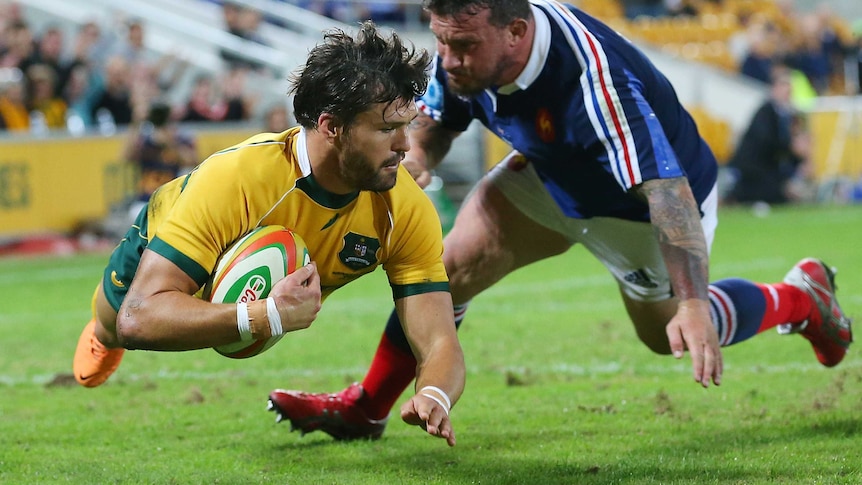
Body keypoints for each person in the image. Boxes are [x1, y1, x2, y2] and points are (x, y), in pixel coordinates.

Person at [268, 0, 853, 442]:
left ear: (517, 33)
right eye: (442, 42)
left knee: (667, 333)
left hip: (641, 208)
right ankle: (366, 407)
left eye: (461, 46)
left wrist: (695, 302)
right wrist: (417, 154)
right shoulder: (471, 43)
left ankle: (799, 298)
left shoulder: (594, 80)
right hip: (550, 175)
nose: (449, 59)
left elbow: (667, 192)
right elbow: (441, 121)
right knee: (446, 271)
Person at [71, 22, 465, 447]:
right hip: (163, 240)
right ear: (331, 126)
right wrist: (269, 315)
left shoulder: (404, 208)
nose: (406, 146)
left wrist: (434, 391)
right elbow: (139, 318)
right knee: (112, 327)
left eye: (407, 124)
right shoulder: (238, 178)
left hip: (266, 288)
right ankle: (99, 335)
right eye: (388, 129)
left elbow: (440, 337)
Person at [727, 65, 812, 205]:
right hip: (754, 171)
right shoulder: (765, 112)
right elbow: (766, 142)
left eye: (789, 86)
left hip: (768, 168)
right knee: (778, 196)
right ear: (774, 88)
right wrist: (792, 148)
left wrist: (799, 156)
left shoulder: (787, 114)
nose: (787, 90)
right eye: (783, 85)